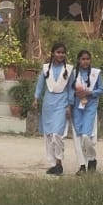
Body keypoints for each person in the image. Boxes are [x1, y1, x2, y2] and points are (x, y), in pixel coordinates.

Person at [35, 43, 75, 175]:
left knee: (57, 134)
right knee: (48, 135)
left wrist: (70, 105)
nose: (61, 55)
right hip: (48, 105)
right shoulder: (46, 68)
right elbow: (40, 85)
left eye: (63, 52)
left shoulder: (69, 70)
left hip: (62, 104)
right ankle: (54, 164)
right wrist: (36, 98)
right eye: (58, 52)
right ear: (53, 53)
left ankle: (59, 161)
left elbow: (71, 89)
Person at [71, 49, 103, 174]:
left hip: (90, 107)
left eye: (87, 59)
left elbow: (101, 89)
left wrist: (90, 92)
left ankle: (92, 158)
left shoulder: (96, 73)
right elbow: (70, 91)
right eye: (83, 59)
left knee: (86, 136)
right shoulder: (74, 74)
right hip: (77, 108)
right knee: (78, 138)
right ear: (78, 60)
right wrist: (71, 101)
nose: (85, 61)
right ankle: (82, 165)